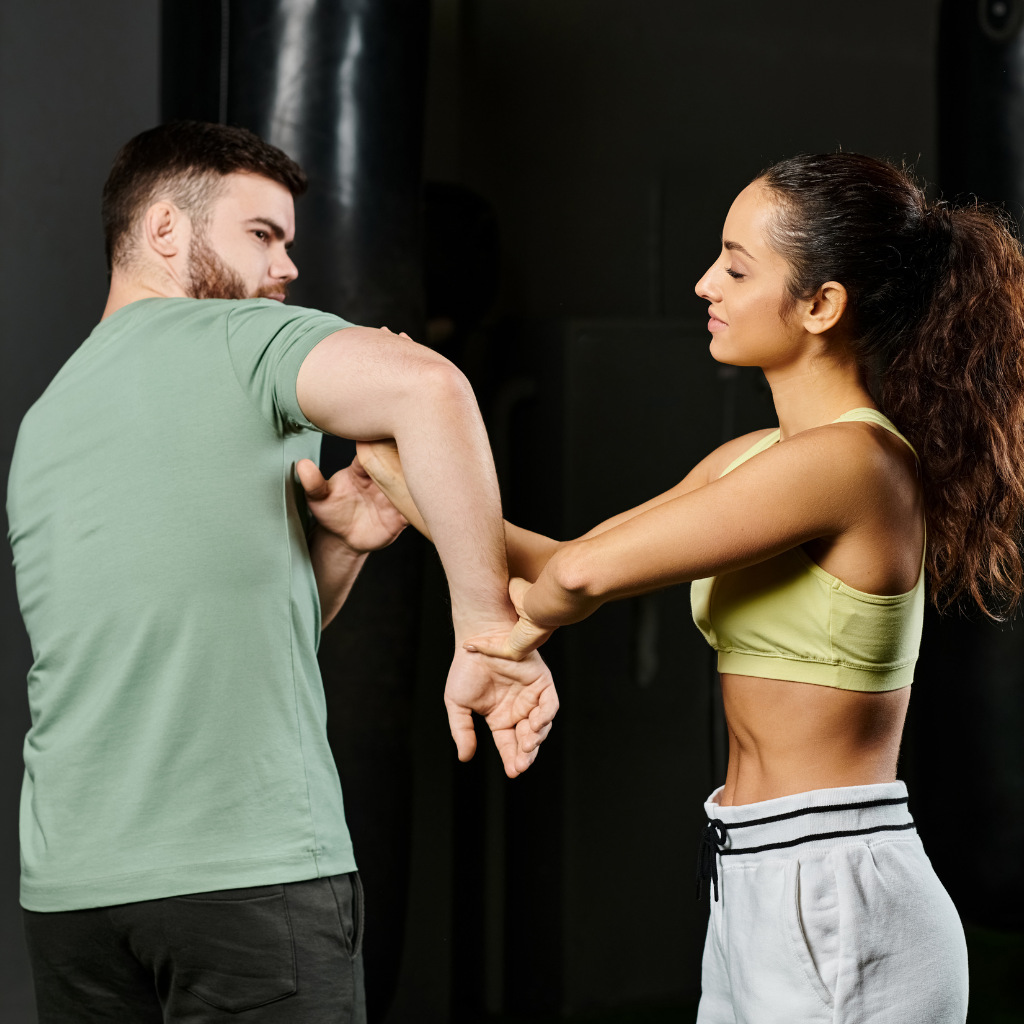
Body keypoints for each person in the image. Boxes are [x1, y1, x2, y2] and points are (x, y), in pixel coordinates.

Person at [358, 153, 1024, 1023]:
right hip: (749, 873)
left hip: (834, 890)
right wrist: (404, 472)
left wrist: (536, 621)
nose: (707, 281)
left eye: (738, 267)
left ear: (822, 306)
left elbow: (577, 577)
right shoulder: (750, 460)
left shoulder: (854, 462)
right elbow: (564, 553)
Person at [6, 120, 557, 1024]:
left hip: (73, 894)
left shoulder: (47, 418)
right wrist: (488, 631)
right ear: (164, 229)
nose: (286, 267)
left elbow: (222, 639)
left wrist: (339, 548)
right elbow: (431, 388)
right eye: (262, 235)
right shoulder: (241, 337)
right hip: (245, 880)